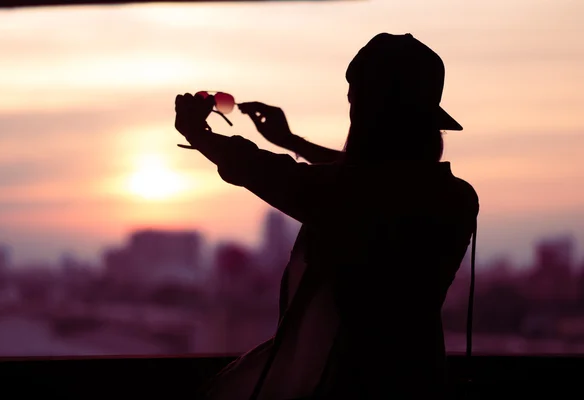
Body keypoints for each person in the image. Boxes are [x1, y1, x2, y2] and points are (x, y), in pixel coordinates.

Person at [175, 33, 479, 400]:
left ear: (366, 112)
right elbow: (372, 182)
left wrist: (199, 134)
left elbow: (281, 174)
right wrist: (292, 142)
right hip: (421, 382)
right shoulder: (457, 198)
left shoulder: (349, 196)